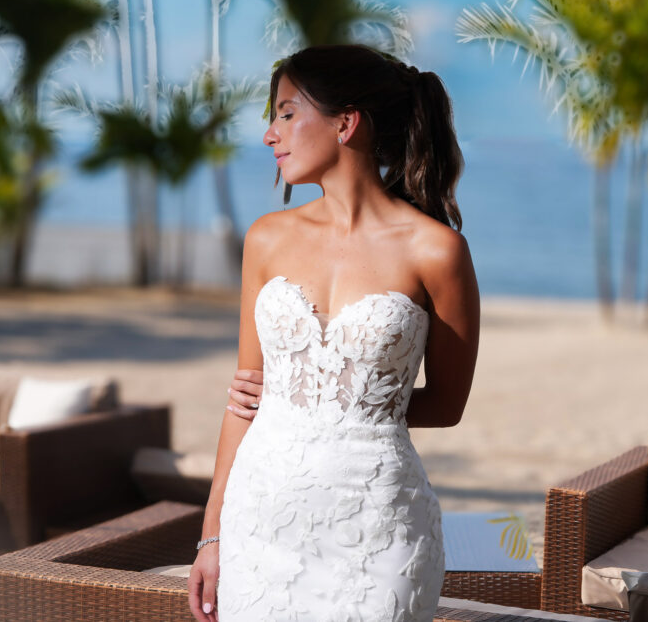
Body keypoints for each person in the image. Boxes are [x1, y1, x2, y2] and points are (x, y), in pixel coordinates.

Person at [187, 44, 480, 621]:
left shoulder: (437, 251)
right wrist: (211, 537)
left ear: (346, 123)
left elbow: (447, 405)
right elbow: (246, 398)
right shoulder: (266, 239)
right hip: (260, 522)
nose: (271, 134)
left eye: (287, 113)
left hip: (379, 526)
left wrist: (345, 411)